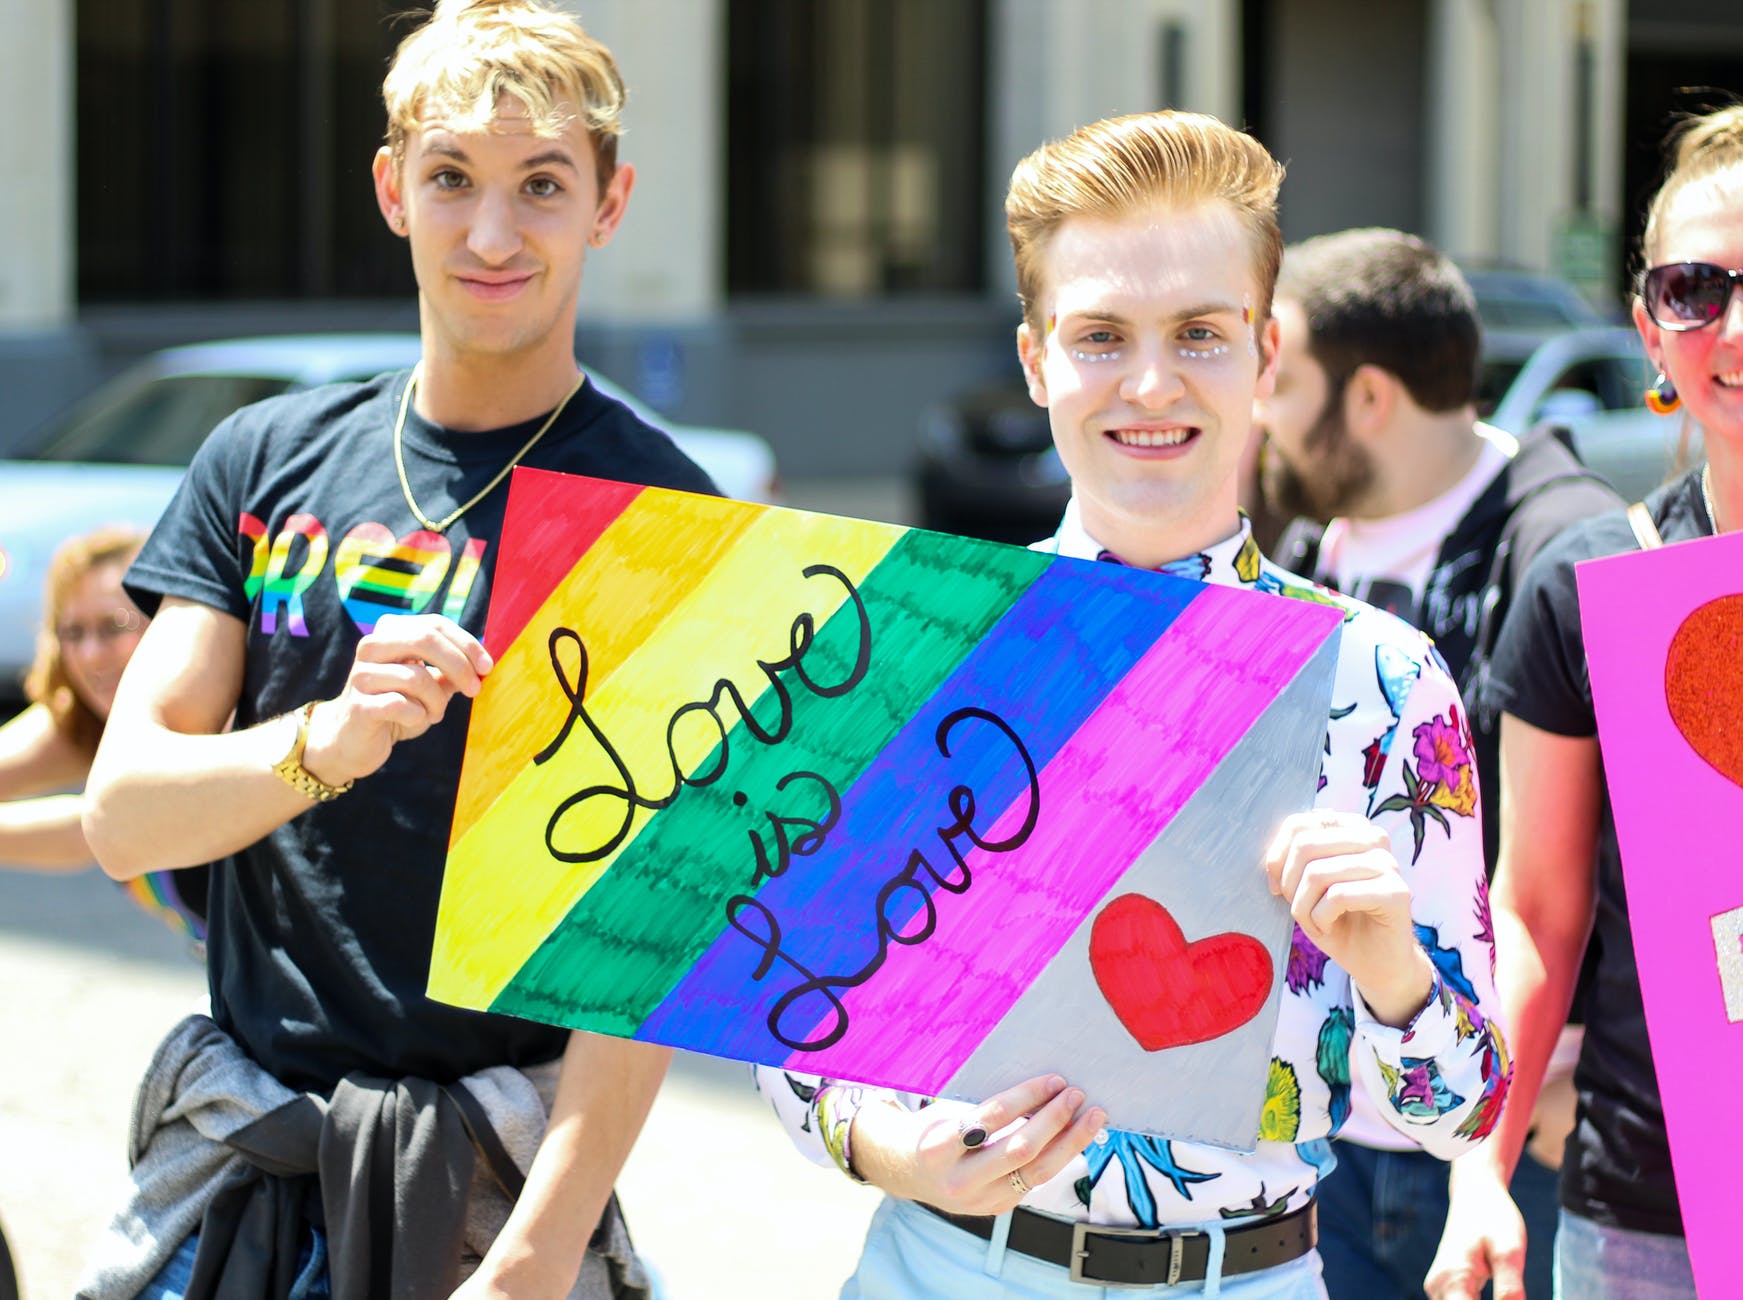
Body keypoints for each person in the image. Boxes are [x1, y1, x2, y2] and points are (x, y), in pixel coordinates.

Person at [758, 110, 1506, 1299]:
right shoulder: (916, 651)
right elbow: (792, 1021)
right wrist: (893, 1146)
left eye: (1199, 334)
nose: (1150, 383)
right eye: (1102, 334)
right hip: (946, 1268)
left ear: (1267, 358)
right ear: (1035, 359)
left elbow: (1461, 1112)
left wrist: (1391, 967)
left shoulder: (1384, 680)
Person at [75, 1, 716, 1295]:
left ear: (609, 201)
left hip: (494, 1192)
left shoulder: (666, 524)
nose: (492, 233)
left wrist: (541, 1251)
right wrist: (327, 741)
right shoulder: (260, 459)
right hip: (235, 1172)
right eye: (451, 180)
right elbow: (125, 818)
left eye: (541, 184)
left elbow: (646, 951)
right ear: (390, 190)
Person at [1258, 229, 1620, 1299]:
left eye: (1279, 379)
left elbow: (1628, 860)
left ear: (1368, 399)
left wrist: (1568, 1084)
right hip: (1329, 1142)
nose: (1258, 410)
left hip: (1510, 1150)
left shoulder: (1565, 551)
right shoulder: (1309, 550)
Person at [1426, 105, 1743, 1300]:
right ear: (1650, 332)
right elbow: (1540, 911)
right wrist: (1480, 1164)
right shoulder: (1595, 591)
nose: (1733, 324)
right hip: (1648, 1222)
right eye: (1694, 287)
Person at [0, 526, 209, 938]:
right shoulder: (88, 717)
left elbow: (97, 824)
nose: (91, 655)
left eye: (114, 626)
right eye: (73, 632)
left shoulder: (215, 722)